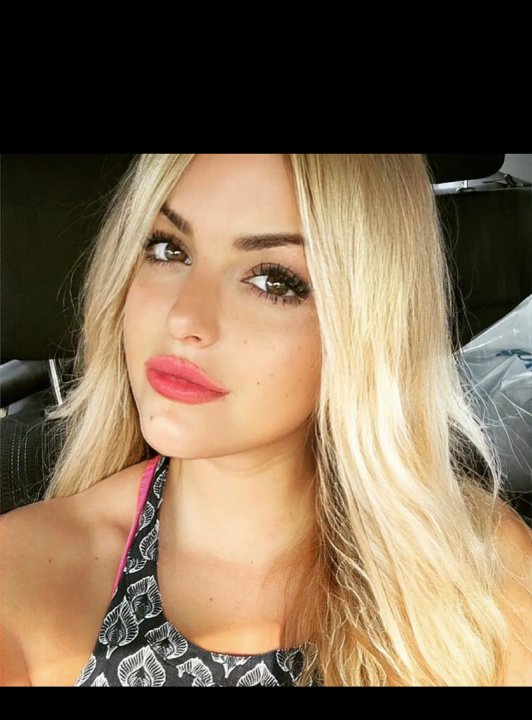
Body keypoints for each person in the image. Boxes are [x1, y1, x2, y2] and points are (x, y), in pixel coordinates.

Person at [1, 154, 531, 687]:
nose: (184, 317)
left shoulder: (485, 570)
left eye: (273, 281)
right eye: (168, 249)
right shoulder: (22, 581)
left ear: (366, 321)